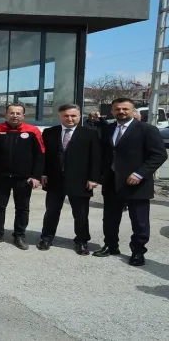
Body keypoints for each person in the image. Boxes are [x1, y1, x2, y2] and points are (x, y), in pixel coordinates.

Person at [94, 97, 168, 266]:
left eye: (125, 109)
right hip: (112, 181)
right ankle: (111, 245)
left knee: (139, 220)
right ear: (112, 111)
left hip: (137, 183)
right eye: (117, 109)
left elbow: (159, 154)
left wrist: (140, 173)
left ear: (133, 111)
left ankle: (138, 251)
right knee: (110, 217)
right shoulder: (108, 129)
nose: (121, 112)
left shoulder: (146, 129)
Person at [37, 104, 101, 255]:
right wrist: (43, 173)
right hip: (54, 180)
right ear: (60, 116)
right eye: (66, 115)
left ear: (79, 116)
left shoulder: (89, 133)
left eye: (73, 116)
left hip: (81, 181)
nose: (70, 119)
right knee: (51, 211)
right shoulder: (49, 132)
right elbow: (44, 156)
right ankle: (46, 237)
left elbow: (96, 158)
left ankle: (82, 240)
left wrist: (93, 178)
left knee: (80, 214)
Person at [0, 104, 45, 250]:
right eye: (12, 113)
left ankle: (19, 235)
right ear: (6, 114)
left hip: (24, 178)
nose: (15, 115)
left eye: (18, 113)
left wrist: (36, 175)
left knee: (22, 208)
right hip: (1, 176)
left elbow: (40, 155)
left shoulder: (32, 131)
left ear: (23, 116)